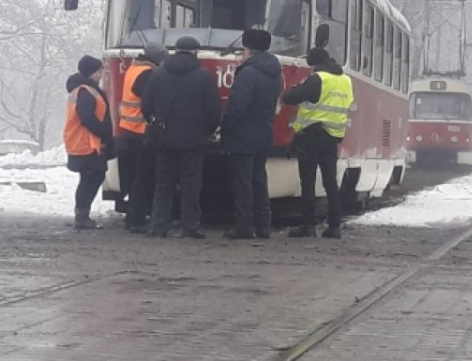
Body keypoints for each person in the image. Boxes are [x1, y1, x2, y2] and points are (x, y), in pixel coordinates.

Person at [143, 35, 222, 239]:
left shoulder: (158, 74)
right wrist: (207, 130)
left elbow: (145, 106)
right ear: (195, 52)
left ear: (175, 50)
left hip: (164, 137)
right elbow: (213, 111)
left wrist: (157, 121)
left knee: (163, 183)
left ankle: (158, 226)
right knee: (191, 184)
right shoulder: (204, 76)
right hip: (193, 139)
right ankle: (190, 226)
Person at [283, 47, 354, 239]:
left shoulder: (319, 78)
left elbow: (290, 97)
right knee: (331, 182)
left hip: (312, 135)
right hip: (332, 136)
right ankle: (334, 227)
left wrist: (297, 87)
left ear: (314, 64)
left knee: (308, 181)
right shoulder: (346, 80)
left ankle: (308, 225)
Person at [221, 29, 282, 239]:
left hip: (243, 136)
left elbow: (238, 105)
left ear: (249, 49)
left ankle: (243, 226)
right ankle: (264, 225)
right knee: (259, 180)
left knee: (242, 183)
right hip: (263, 133)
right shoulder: (274, 72)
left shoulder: (248, 73)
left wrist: (225, 126)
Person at [118, 43, 169, 233]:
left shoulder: (134, 67)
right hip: (141, 130)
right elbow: (149, 99)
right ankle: (137, 219)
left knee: (135, 176)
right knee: (144, 177)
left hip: (128, 129)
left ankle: (134, 217)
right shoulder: (148, 73)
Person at [64, 55, 115, 229]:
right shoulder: (86, 91)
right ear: (91, 72)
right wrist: (103, 131)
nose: (102, 75)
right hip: (88, 143)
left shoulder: (82, 90)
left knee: (89, 178)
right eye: (99, 71)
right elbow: (87, 117)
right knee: (91, 177)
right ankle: (82, 216)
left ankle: (81, 214)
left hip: (83, 142)